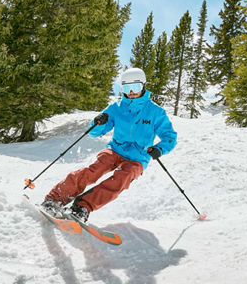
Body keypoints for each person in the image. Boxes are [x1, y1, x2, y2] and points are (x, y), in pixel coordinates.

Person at [41, 67, 177, 222]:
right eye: (127, 88)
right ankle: (55, 200)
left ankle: (82, 208)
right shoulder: (116, 108)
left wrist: (159, 149)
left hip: (138, 158)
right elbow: (93, 132)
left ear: (143, 86)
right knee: (94, 170)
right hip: (115, 150)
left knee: (121, 179)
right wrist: (99, 122)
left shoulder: (155, 112)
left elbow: (170, 137)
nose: (131, 92)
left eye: (136, 87)